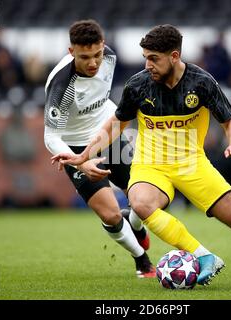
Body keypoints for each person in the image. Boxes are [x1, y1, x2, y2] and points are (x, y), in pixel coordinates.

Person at [51, 25, 231, 289]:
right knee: (141, 203)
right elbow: (114, 125)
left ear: (174, 56)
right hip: (151, 165)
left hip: (193, 164)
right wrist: (83, 155)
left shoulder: (201, 82)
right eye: (145, 57)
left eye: (153, 58)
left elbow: (230, 123)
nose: (147, 64)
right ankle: (204, 256)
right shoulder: (138, 85)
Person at [44, 20, 155, 278]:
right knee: (110, 213)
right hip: (75, 145)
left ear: (103, 47)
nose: (93, 63)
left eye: (97, 54)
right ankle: (142, 260)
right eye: (85, 57)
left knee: (143, 199)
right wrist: (80, 162)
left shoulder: (110, 58)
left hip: (108, 133)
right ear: (71, 52)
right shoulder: (61, 86)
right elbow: (51, 137)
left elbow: (102, 99)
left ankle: (136, 227)